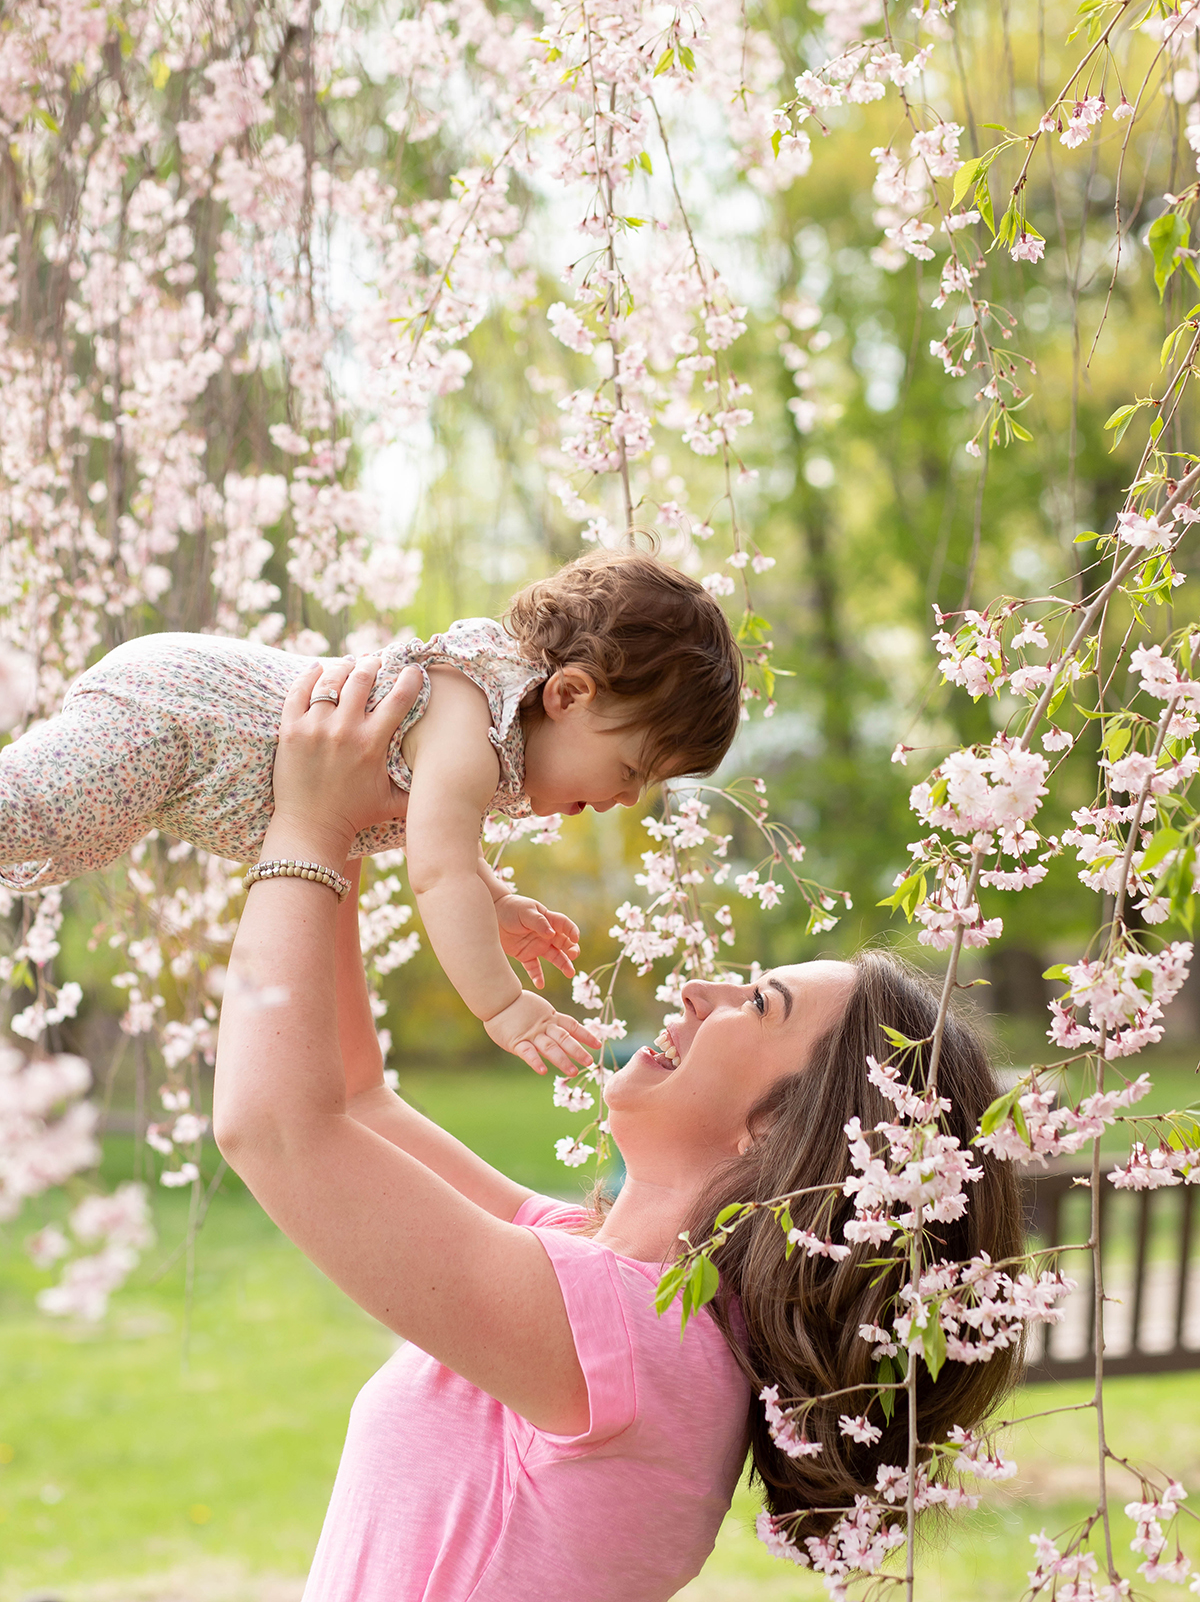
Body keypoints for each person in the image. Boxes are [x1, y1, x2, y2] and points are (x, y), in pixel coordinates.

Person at [212, 653, 1026, 1602]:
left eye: (757, 1005)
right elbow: (354, 1104)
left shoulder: (637, 1347)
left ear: (780, 1139)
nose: (699, 989)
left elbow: (278, 1131)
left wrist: (306, 826)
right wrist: (352, 814)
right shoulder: (617, 1290)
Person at [0, 550, 742, 1074]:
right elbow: (438, 869)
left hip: (178, 737)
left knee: (57, 841)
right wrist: (503, 1006)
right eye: (628, 771)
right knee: (37, 815)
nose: (621, 800)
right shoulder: (469, 710)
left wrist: (501, 900)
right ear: (569, 696)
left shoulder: (488, 729)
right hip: (179, 720)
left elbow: (441, 832)